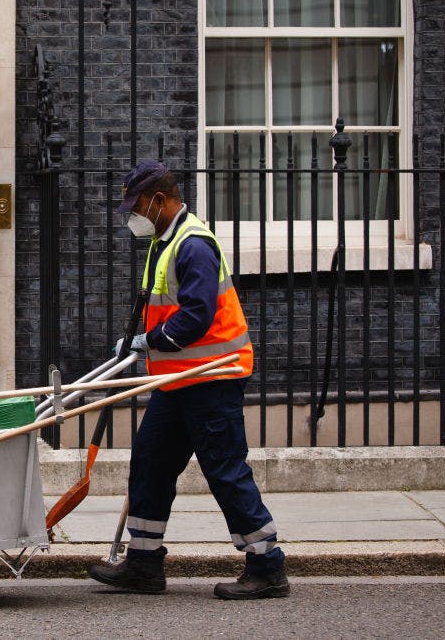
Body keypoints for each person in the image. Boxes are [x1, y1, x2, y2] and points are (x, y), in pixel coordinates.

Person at [88, 161, 289, 600]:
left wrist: (148, 341)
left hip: (211, 377)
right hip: (178, 380)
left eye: (137, 205)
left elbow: (196, 317)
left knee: (225, 470)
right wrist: (137, 343)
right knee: (150, 462)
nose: (132, 215)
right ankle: (143, 564)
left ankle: (267, 567)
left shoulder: (192, 244)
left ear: (159, 200)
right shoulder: (165, 240)